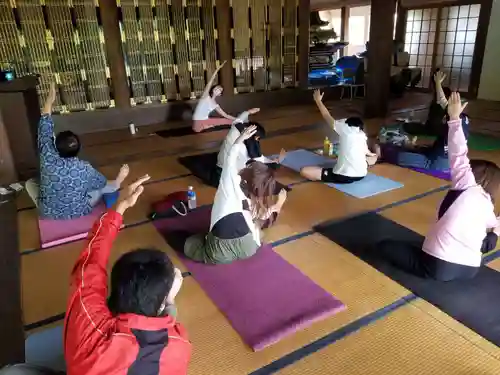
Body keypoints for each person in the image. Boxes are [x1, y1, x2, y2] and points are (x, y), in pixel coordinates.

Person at [64, 174, 191, 375]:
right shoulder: (180, 344)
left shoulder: (90, 329)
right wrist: (169, 301)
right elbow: (164, 327)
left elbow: (90, 264)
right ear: (160, 304)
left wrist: (118, 208)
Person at [378, 92, 500, 281]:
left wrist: (454, 119)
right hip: (471, 269)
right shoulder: (487, 206)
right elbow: (496, 222)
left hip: (437, 266)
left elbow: (458, 152)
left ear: (478, 175)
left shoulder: (467, 185)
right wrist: (495, 235)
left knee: (384, 246)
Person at [184, 125, 287, 264]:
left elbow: (229, 159)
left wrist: (240, 138)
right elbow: (258, 218)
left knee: (190, 244)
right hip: (249, 249)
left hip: (220, 252)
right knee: (256, 225)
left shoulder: (229, 184)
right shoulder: (254, 196)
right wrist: (278, 204)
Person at [25, 82, 128, 220]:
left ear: (55, 145)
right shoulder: (84, 169)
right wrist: (120, 178)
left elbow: (45, 121)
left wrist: (50, 98)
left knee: (29, 183)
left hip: (48, 212)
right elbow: (104, 185)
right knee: (102, 187)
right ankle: (119, 181)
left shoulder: (47, 155)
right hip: (79, 210)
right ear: (79, 148)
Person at [300, 89, 377, 184]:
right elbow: (367, 152)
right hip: (361, 174)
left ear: (348, 123)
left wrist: (318, 101)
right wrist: (372, 154)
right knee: (370, 159)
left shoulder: (345, 128)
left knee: (304, 171)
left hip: (342, 176)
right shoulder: (362, 135)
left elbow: (326, 115)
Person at [192, 61, 237, 132]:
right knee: (201, 127)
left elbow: (226, 115)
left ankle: (239, 122)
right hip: (198, 122)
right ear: (213, 89)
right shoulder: (205, 96)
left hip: (205, 120)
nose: (217, 89)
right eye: (216, 88)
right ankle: (206, 127)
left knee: (227, 121)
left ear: (220, 94)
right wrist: (217, 69)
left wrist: (237, 119)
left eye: (220, 89)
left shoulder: (216, 105)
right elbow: (210, 81)